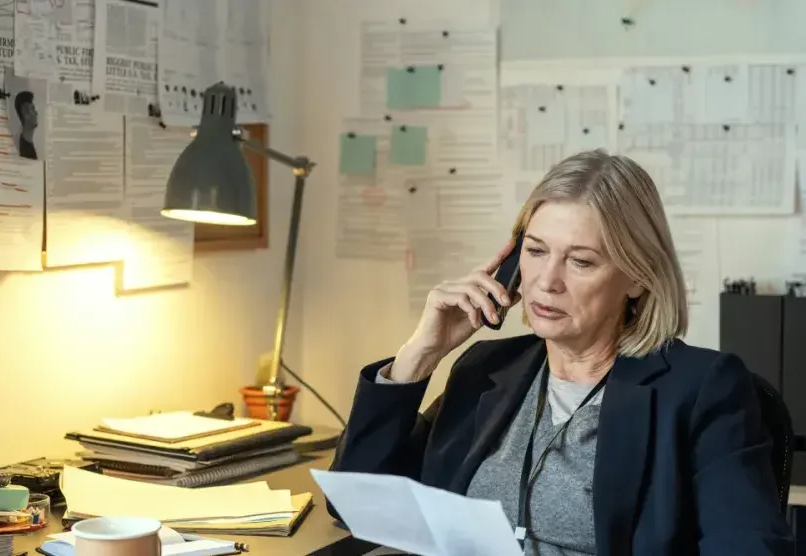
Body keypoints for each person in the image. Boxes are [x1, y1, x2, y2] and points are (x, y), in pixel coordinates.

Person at [327, 149, 793, 556]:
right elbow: (356, 506)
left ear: (637, 278)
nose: (547, 281)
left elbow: (746, 546)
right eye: (535, 251)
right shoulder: (486, 369)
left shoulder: (702, 389)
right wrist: (420, 355)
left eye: (581, 261)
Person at [14, 91, 38, 160]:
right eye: (33, 109)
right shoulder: (23, 150)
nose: (36, 113)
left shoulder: (28, 145)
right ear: (25, 113)